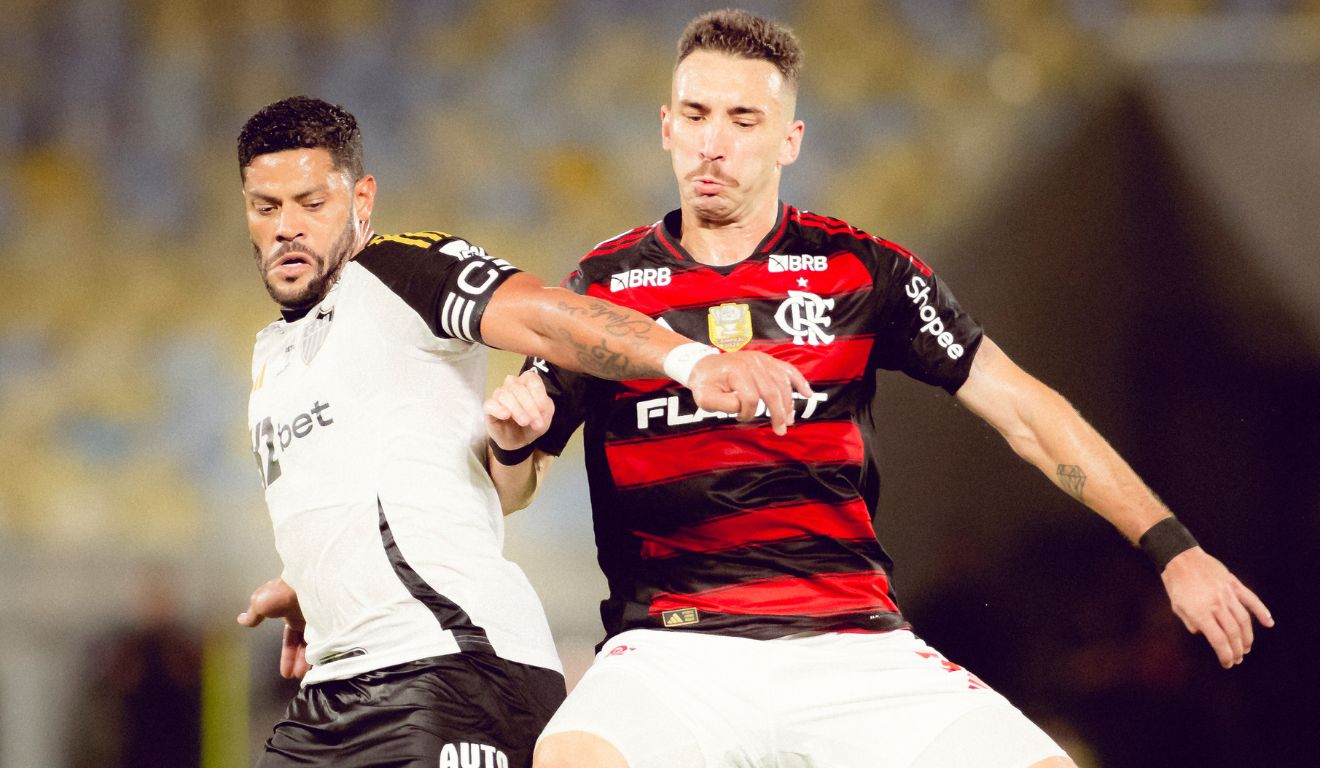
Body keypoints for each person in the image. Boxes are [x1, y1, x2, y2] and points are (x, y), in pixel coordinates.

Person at [482, 10, 1274, 768]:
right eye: (694, 116)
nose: (713, 144)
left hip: (851, 645)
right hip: (669, 646)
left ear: (790, 140)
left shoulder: (864, 270)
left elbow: (1026, 410)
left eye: (743, 120)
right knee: (571, 758)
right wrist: (513, 447)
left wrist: (1173, 549)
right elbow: (516, 488)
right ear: (666, 127)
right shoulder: (601, 287)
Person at [231, 95, 809, 768]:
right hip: (329, 695)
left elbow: (547, 317)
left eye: (311, 202)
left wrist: (691, 360)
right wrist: (312, 581)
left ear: (361, 199)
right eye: (266, 208)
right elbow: (380, 486)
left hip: (453, 671)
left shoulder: (398, 271)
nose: (287, 228)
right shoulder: (273, 352)